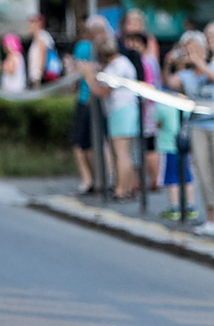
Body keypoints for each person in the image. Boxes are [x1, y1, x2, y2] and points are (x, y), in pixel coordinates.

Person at [165, 28, 214, 235]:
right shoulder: (185, 74)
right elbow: (169, 84)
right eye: (188, 49)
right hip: (197, 127)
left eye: (196, 48)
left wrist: (197, 60)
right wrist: (169, 64)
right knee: (203, 173)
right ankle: (211, 218)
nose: (192, 52)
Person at [80, 39, 139, 200]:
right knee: (125, 153)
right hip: (125, 110)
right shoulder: (121, 63)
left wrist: (89, 77)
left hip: (121, 110)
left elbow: (103, 91)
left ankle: (121, 190)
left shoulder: (117, 66)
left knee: (121, 153)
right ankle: (128, 188)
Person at [68, 16, 112, 195]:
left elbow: (78, 73)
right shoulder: (92, 47)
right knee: (89, 142)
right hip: (92, 98)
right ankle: (98, 179)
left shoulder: (97, 47)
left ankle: (94, 179)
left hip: (91, 97)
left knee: (89, 143)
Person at [125, 31, 161, 190]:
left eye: (136, 43)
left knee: (149, 144)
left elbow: (149, 84)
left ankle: (155, 180)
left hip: (148, 107)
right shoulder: (151, 60)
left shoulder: (146, 61)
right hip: (150, 106)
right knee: (148, 144)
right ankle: (153, 179)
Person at [155, 101, 197, 222]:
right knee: (187, 176)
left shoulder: (163, 105)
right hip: (184, 146)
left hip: (168, 147)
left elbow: (157, 122)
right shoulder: (188, 104)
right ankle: (190, 207)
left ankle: (174, 208)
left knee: (171, 178)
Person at [26, 14, 59, 88]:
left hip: (40, 76)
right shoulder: (38, 37)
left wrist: (40, 74)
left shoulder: (42, 36)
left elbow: (42, 54)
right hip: (37, 75)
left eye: (32, 22)